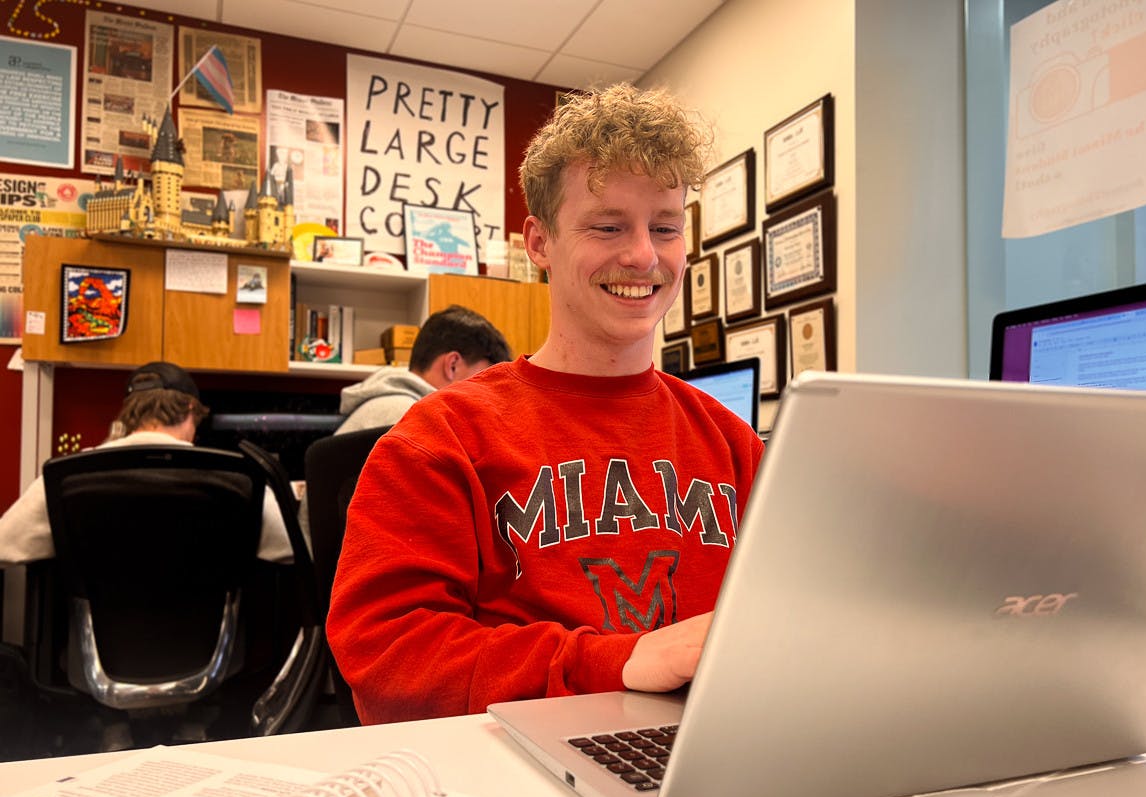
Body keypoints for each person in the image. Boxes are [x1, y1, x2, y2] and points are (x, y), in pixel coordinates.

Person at [326, 84, 765, 724]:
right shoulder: (443, 437)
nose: (643, 255)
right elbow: (387, 661)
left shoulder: (735, 445)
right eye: (608, 226)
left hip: (707, 746)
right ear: (538, 242)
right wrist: (614, 661)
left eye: (665, 228)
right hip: (514, 758)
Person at [0, 361, 292, 566]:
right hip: (214, 630)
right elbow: (288, 549)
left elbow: (5, 544)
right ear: (191, 408)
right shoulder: (237, 476)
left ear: (129, 412)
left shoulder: (71, 474)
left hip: (92, 632)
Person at [334, 305, 512, 434]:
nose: (486, 398)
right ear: (452, 365)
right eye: (482, 381)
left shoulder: (384, 406)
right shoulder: (413, 417)